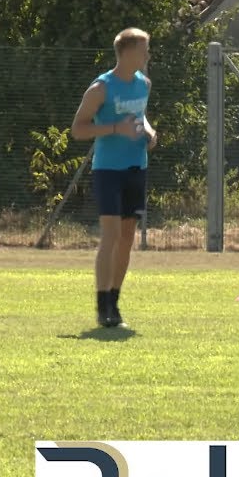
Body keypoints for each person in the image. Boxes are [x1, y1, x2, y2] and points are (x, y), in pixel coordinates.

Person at [71, 28, 157, 328]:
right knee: (110, 235)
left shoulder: (143, 84)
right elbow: (78, 129)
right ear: (128, 52)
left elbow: (140, 115)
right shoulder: (101, 88)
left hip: (136, 167)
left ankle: (115, 303)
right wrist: (113, 129)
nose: (148, 55)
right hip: (108, 169)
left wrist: (148, 131)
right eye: (144, 49)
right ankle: (102, 303)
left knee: (127, 238)